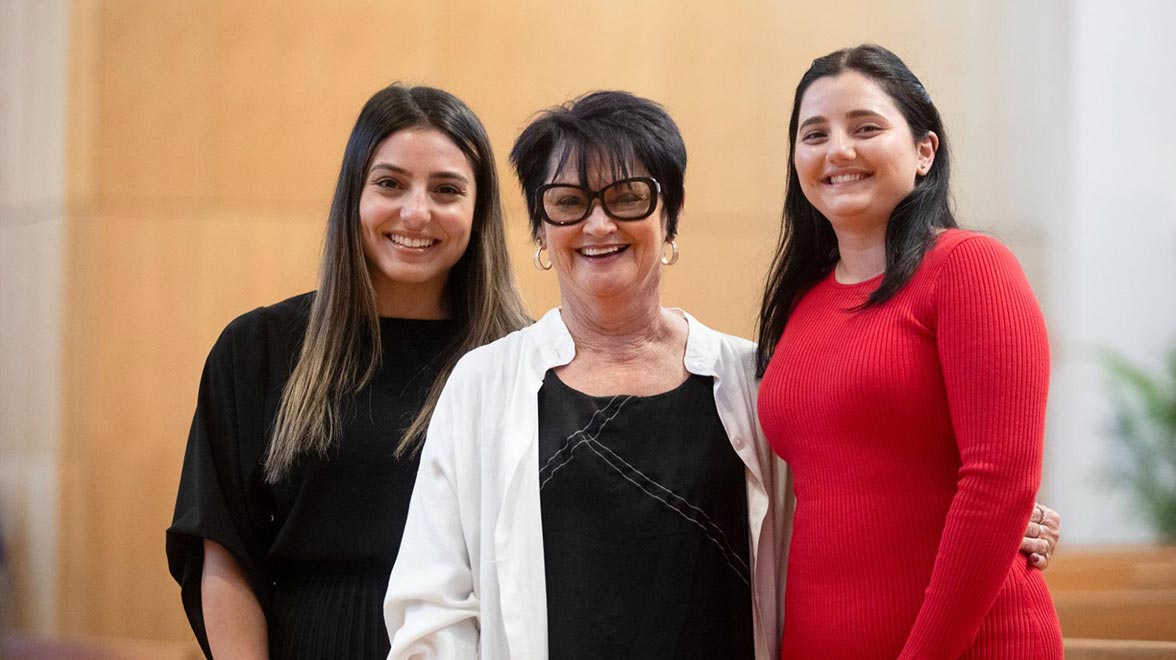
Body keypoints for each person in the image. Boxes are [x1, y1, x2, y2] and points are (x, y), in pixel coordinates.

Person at [382, 90, 1058, 660]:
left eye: (627, 196)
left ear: (670, 218)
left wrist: (999, 519)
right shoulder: (484, 386)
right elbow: (431, 610)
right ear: (540, 230)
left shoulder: (750, 378)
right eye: (566, 201)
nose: (597, 223)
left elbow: (852, 496)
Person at [166, 84, 528, 660]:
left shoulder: (523, 362)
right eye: (389, 183)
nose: (416, 212)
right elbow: (224, 550)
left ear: (479, 211)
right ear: (352, 195)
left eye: (446, 190)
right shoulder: (257, 348)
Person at [756, 44, 1063, 658]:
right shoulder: (801, 304)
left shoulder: (970, 268)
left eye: (865, 127)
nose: (838, 150)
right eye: (813, 134)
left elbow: (997, 483)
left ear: (925, 151)